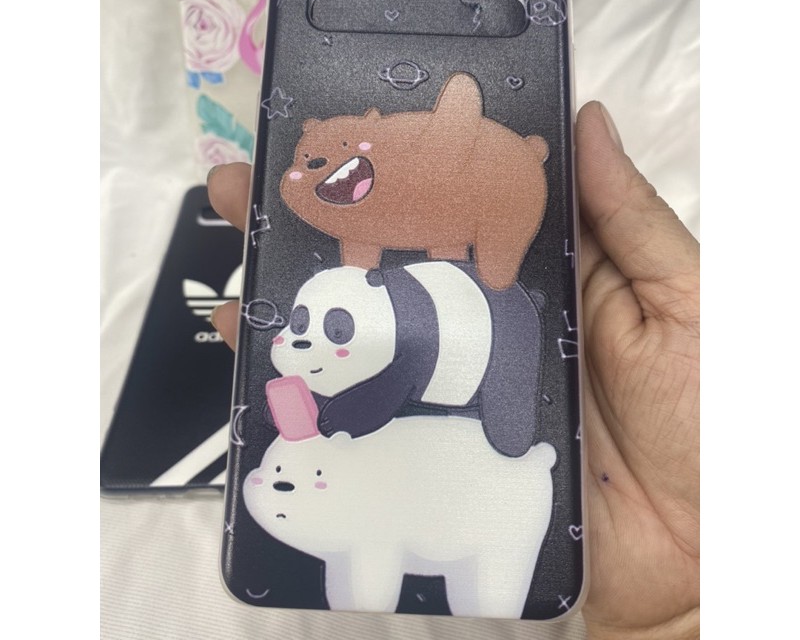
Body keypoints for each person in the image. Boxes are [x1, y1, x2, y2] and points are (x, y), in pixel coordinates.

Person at [206, 101, 700, 640]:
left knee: (499, 421)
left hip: (482, 366)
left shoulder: (436, 313)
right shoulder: (376, 298)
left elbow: (395, 382)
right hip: (446, 407)